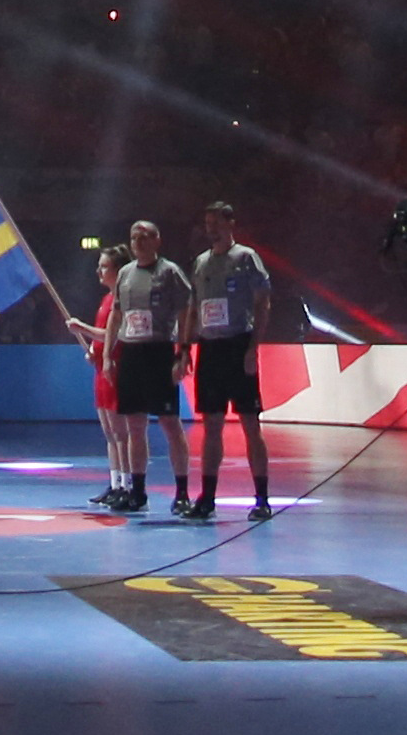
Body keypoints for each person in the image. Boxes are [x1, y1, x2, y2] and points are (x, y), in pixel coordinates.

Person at [188, 200, 276, 520]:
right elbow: (194, 306)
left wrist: (254, 347)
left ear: (230, 223)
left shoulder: (246, 258)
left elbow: (263, 303)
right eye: (207, 222)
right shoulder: (200, 263)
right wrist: (186, 347)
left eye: (216, 222)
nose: (210, 228)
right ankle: (207, 497)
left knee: (251, 424)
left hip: (239, 345)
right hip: (210, 348)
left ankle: (262, 498)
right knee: (212, 424)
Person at [100, 220, 193, 518]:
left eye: (144, 237)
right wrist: (107, 356)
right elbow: (116, 316)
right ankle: (137, 492)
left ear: (157, 240)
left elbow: (185, 311)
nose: (138, 242)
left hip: (159, 352)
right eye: (133, 237)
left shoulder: (169, 272)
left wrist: (182, 352)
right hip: (131, 353)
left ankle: (181, 492)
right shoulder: (125, 274)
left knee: (169, 424)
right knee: (134, 426)